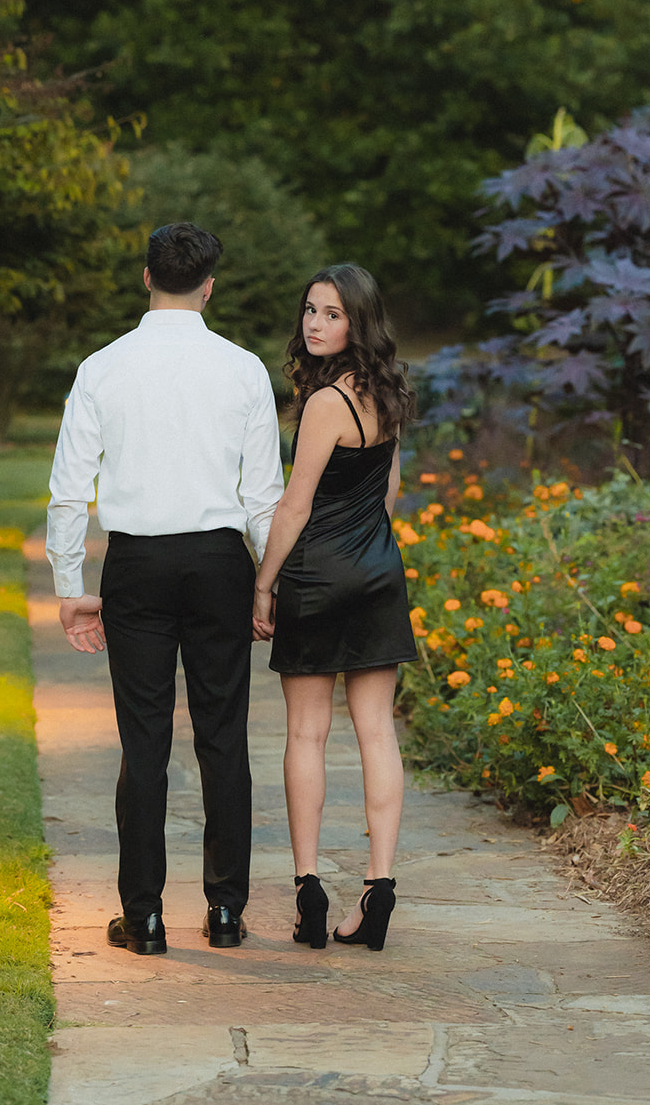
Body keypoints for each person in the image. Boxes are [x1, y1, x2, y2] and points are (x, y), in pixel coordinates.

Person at [46, 222, 284, 956]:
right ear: (209, 284)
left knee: (143, 743)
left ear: (145, 277)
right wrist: (266, 583)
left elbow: (67, 489)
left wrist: (68, 584)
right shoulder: (242, 368)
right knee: (223, 739)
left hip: (137, 566)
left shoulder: (102, 366)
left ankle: (143, 915)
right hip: (219, 563)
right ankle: (224, 913)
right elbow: (262, 495)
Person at [252, 263, 415, 952]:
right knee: (376, 729)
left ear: (358, 322)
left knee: (305, 735)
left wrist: (263, 584)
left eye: (331, 314)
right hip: (378, 570)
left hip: (317, 576)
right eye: (310, 311)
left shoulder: (324, 404)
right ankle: (378, 890)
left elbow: (293, 505)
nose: (315, 324)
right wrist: (367, 550)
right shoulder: (389, 394)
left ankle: (308, 889)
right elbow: (388, 491)